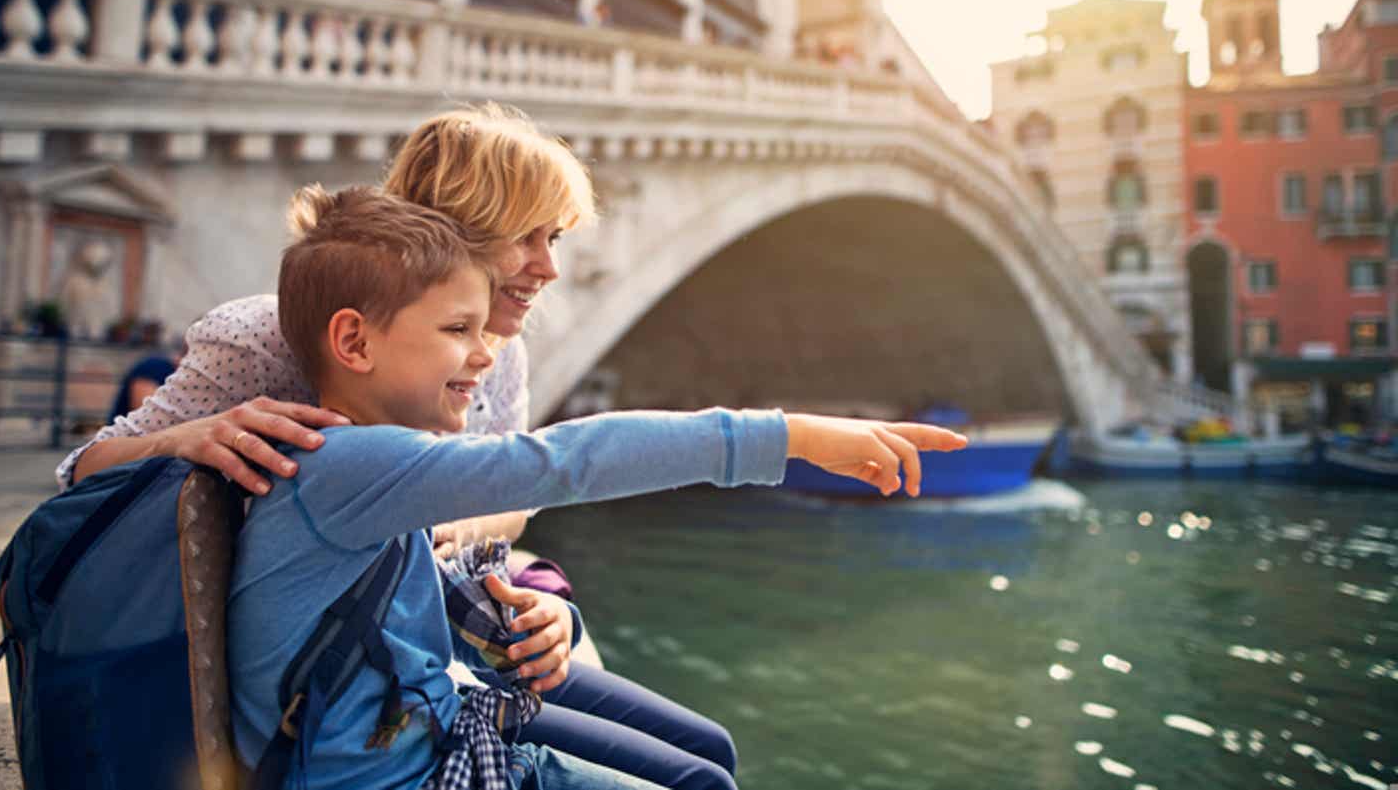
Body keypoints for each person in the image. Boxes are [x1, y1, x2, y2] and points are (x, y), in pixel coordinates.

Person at [52, 104, 745, 788]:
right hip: (347, 693)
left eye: (555, 238)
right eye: (526, 237)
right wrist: (188, 437)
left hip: (440, 645)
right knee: (694, 774)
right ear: (456, 229)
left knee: (707, 746)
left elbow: (512, 496)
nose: (549, 268)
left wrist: (458, 520)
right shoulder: (266, 336)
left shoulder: (499, 348)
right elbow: (80, 477)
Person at [229, 185, 966, 790]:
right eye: (458, 329)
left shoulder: (358, 461)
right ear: (354, 342)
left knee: (707, 760)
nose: (483, 354)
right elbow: (568, 458)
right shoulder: (351, 464)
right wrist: (796, 437)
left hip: (431, 731)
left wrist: (546, 616)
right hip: (407, 769)